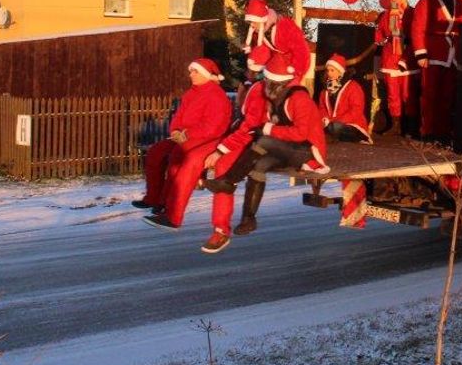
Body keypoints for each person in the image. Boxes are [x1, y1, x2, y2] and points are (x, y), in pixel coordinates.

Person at [202, 52, 329, 242]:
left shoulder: (298, 99)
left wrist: (269, 129)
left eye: (267, 79)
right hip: (289, 148)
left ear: (278, 82)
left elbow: (301, 134)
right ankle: (248, 219)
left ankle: (228, 182)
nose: (264, 83)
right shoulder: (278, 97)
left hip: (307, 151)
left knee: (264, 141)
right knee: (258, 166)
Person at [194, 46, 273, 253]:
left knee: (225, 166)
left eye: (250, 67)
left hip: (254, 138)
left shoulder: (262, 89)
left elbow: (250, 126)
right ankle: (195, 180)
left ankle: (221, 229)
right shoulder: (252, 86)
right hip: (243, 132)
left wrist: (221, 149)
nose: (247, 72)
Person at [136, 58, 231, 227]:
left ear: (206, 75)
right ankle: (154, 198)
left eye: (195, 71)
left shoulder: (217, 96)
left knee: (180, 164)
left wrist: (187, 134)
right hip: (183, 137)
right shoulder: (191, 93)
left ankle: (171, 212)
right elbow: (178, 116)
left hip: (205, 139)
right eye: (191, 71)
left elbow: (214, 127)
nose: (191, 74)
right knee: (155, 153)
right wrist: (174, 130)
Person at [410, 0, 462, 143]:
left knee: (447, 95)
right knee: (429, 94)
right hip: (432, 52)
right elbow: (417, 28)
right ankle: (427, 131)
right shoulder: (425, 1)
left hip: (452, 54)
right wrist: (421, 54)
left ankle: (442, 132)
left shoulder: (459, 3)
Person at [374, 0, 419, 136]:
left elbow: (416, 33)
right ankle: (396, 124)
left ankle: (410, 126)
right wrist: (380, 40)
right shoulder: (387, 15)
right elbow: (380, 34)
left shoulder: (411, 13)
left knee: (408, 93)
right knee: (393, 93)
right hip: (390, 58)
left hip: (407, 57)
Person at [243, 0, 311, 85]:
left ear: (262, 19)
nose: (252, 25)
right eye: (250, 22)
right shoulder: (258, 33)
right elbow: (262, 53)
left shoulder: (285, 26)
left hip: (292, 69)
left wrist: (297, 73)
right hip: (274, 71)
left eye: (254, 21)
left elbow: (301, 50)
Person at [318, 53, 370, 143]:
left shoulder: (353, 87)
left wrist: (334, 120)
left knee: (336, 127)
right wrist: (324, 119)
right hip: (331, 123)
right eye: (328, 70)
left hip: (351, 124)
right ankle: (330, 135)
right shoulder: (325, 90)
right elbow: (322, 108)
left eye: (332, 70)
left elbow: (356, 111)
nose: (329, 73)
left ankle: (329, 136)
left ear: (340, 71)